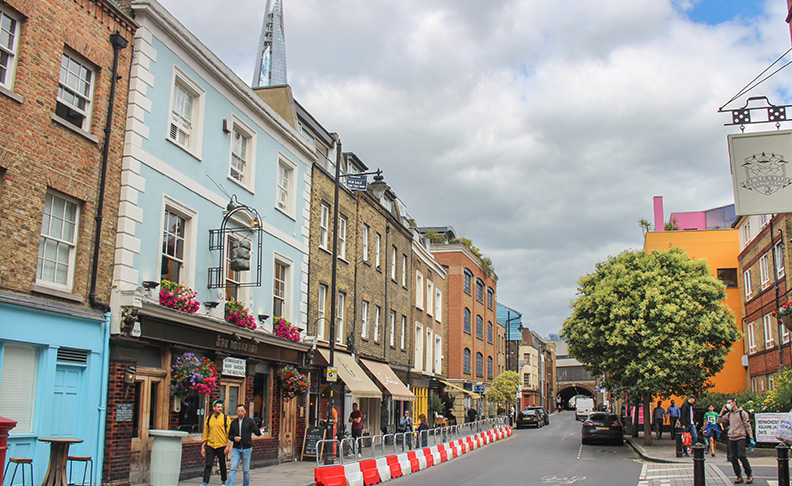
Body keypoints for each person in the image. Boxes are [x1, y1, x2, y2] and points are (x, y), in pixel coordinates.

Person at [719, 398, 754, 484]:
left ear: (735, 403)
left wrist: (751, 437)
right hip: (731, 437)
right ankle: (738, 475)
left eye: (729, 403)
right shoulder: (729, 414)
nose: (728, 405)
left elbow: (747, 425)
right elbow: (719, 420)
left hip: (741, 436)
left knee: (741, 455)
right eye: (727, 403)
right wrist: (722, 411)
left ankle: (749, 474)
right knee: (733, 457)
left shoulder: (743, 413)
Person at [226, 404, 262, 486]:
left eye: (242, 411)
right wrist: (234, 438)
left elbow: (256, 431)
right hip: (236, 448)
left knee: (246, 470)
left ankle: (246, 484)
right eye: (238, 411)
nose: (240, 413)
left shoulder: (249, 421)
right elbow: (230, 435)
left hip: (247, 448)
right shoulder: (234, 423)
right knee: (233, 468)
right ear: (236, 412)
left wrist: (260, 431)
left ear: (245, 412)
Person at [201, 399, 230, 486]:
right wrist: (203, 446)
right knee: (208, 464)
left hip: (221, 445)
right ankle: (205, 482)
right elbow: (205, 433)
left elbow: (229, 433)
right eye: (218, 407)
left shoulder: (225, 418)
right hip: (211, 444)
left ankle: (224, 481)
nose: (220, 408)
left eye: (221, 407)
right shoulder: (209, 418)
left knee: (222, 464)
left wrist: (228, 446)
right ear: (214, 408)